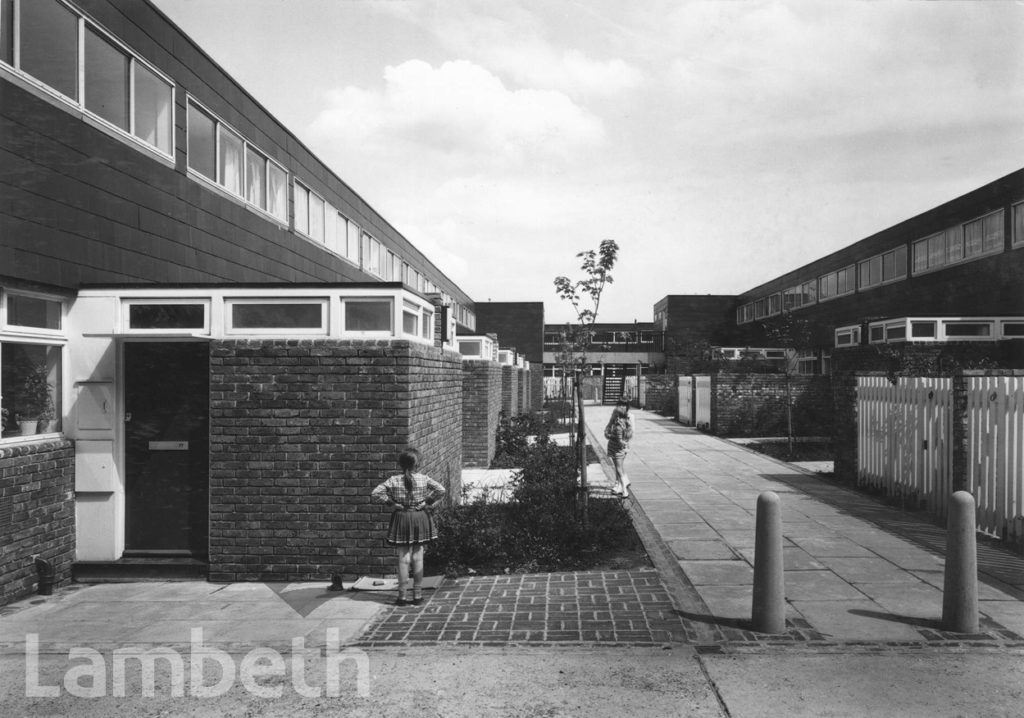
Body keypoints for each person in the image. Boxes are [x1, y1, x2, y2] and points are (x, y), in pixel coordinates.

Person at [371, 447, 446, 606]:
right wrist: (427, 503)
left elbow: (375, 493)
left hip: (402, 517)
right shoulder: (424, 479)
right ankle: (417, 596)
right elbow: (441, 490)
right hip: (420, 517)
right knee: (418, 556)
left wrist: (393, 503)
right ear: (417, 464)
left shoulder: (393, 480)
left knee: (403, 558)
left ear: (400, 464)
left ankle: (402, 597)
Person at [604, 399, 634, 498]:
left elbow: (630, 432)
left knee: (618, 467)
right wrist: (608, 433)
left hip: (621, 446)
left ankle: (622, 486)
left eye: (624, 405)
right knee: (619, 466)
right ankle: (621, 484)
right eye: (620, 404)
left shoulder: (629, 417)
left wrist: (622, 440)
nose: (622, 406)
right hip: (615, 445)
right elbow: (608, 426)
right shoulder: (616, 414)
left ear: (627, 406)